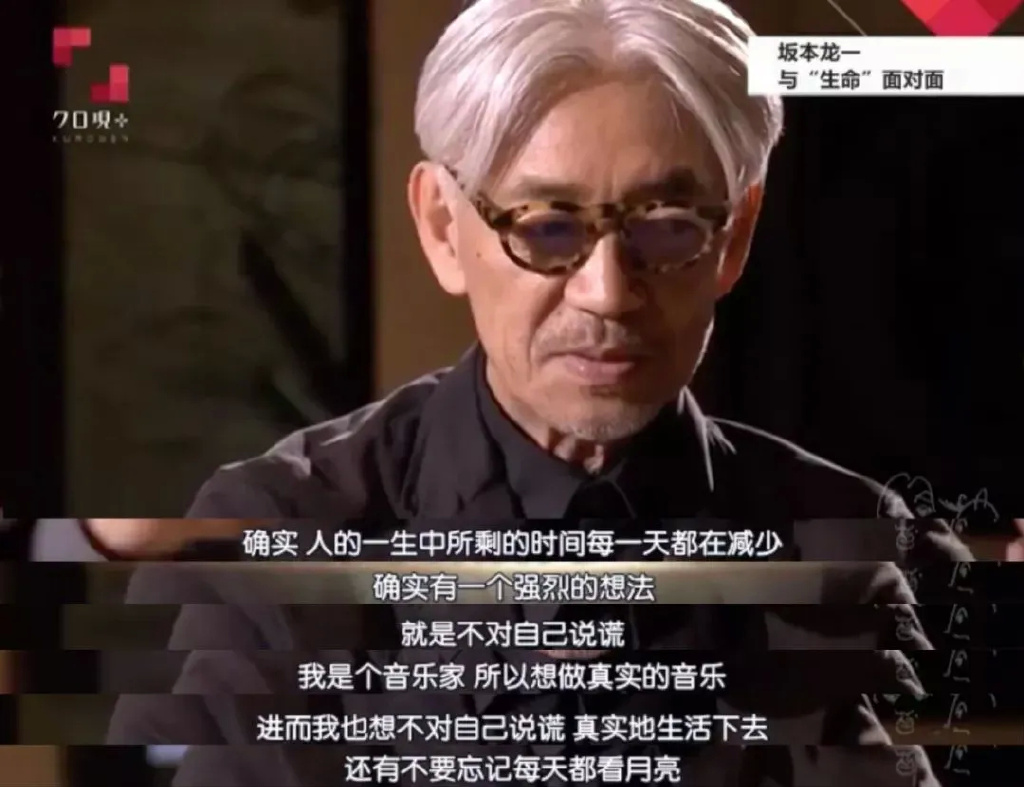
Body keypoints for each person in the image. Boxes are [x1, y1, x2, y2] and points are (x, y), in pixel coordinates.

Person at [108, 1, 1017, 784]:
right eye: (548, 228)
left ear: (736, 236)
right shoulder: (282, 534)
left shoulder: (838, 543)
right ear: (442, 226)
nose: (608, 293)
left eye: (669, 228)